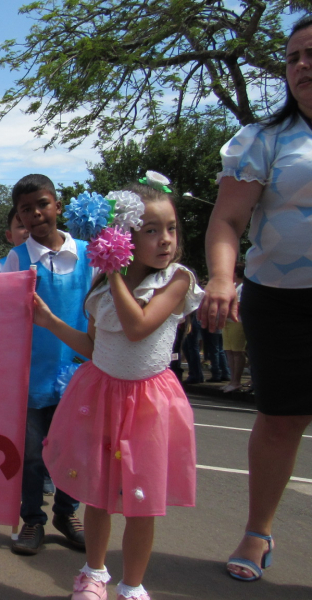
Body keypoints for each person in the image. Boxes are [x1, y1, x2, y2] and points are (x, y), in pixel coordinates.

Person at [37, 180, 201, 600]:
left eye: (171, 229)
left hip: (148, 403)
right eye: (150, 230)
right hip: (101, 397)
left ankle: (132, 584)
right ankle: (94, 573)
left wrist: (113, 273)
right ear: (124, 236)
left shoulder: (176, 280)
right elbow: (94, 347)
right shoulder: (101, 290)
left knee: (141, 501)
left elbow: (138, 327)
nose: (165, 240)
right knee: (99, 496)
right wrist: (51, 321)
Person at [201, 15, 312, 583]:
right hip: (282, 300)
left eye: (311, 53)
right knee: (279, 418)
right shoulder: (264, 139)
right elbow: (228, 218)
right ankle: (257, 530)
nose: (301, 65)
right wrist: (222, 279)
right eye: (293, 56)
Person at [0, 174, 91, 556]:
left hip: (80, 373)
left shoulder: (90, 253)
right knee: (33, 455)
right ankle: (32, 518)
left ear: (58, 205)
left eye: (42, 204)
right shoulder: (16, 260)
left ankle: (67, 513)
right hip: (31, 376)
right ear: (18, 217)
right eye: (25, 210)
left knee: (73, 451)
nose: (35, 214)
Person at [221, 264, 247, 393]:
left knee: (237, 352)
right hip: (228, 322)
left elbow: (239, 306)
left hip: (237, 322)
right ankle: (232, 381)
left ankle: (237, 381)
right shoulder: (233, 286)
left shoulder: (243, 287)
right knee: (229, 351)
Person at [0, 207, 30, 274]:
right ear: (9, 235)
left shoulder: (50, 259)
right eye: (22, 226)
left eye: (33, 225)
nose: (29, 230)